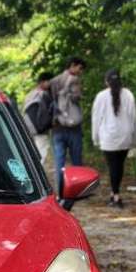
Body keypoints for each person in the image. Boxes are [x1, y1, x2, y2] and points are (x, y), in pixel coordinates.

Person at [91, 69, 136, 208]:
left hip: (108, 137)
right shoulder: (128, 94)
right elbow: (134, 117)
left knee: (112, 166)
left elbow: (96, 119)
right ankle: (114, 193)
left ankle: (116, 196)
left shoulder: (101, 96)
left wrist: (95, 137)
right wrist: (134, 139)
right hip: (125, 136)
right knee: (119, 166)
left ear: (106, 82)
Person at [49, 57, 86, 195]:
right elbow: (76, 98)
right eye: (80, 68)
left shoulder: (54, 81)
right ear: (73, 65)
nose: (81, 71)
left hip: (57, 126)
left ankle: (60, 190)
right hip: (73, 127)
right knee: (76, 160)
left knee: (59, 161)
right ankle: (77, 189)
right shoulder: (75, 80)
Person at [22, 72, 54, 166]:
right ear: (43, 82)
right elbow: (48, 113)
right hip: (40, 129)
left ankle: (31, 168)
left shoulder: (30, 94)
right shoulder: (44, 94)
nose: (51, 84)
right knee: (42, 152)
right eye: (49, 82)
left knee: (32, 151)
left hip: (28, 126)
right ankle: (38, 171)